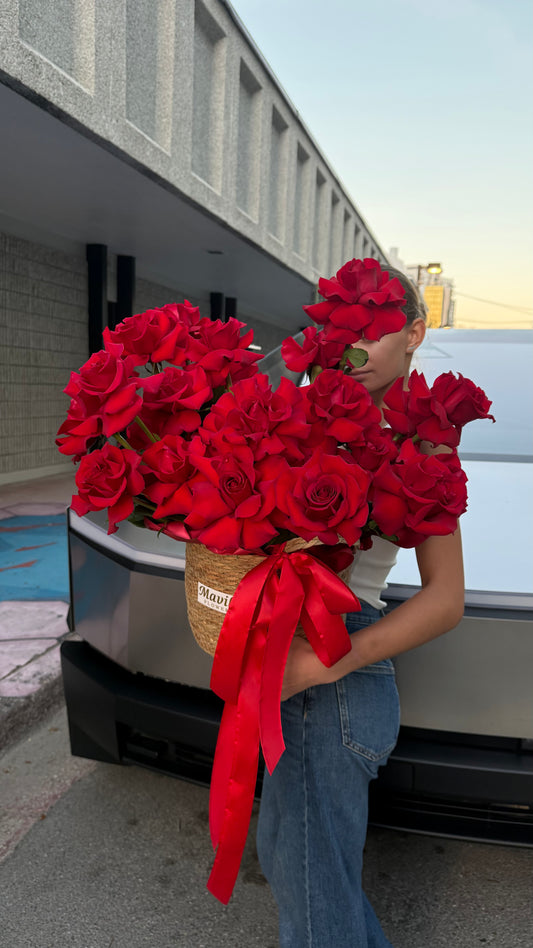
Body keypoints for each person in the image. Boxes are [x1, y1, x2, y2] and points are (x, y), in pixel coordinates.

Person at [256, 266, 465, 948]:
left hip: (335, 670)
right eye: (337, 331)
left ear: (414, 333)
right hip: (294, 657)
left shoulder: (421, 441)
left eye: (372, 333)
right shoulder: (300, 410)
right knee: (297, 869)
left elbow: (446, 599)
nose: (353, 350)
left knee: (316, 906)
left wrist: (324, 664)